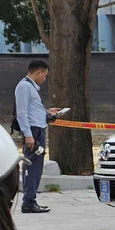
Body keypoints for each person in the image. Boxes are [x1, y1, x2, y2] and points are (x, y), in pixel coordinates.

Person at [12, 59, 67, 215]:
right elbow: (22, 113)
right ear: (39, 72)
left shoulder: (30, 87)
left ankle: (31, 200)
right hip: (33, 132)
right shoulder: (24, 87)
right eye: (45, 75)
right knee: (31, 167)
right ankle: (28, 203)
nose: (45, 79)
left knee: (36, 168)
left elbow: (30, 110)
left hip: (38, 130)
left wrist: (47, 113)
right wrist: (28, 135)